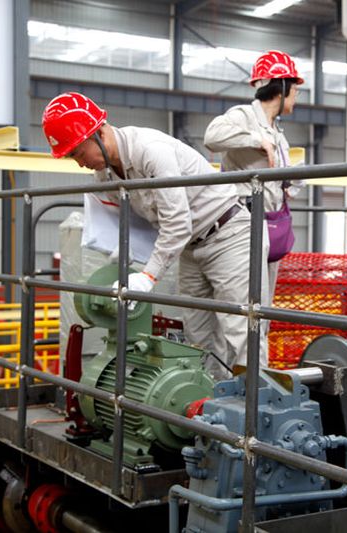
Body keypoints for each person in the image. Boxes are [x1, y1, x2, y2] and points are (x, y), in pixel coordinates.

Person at [42, 92, 268, 380]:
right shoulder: (106, 176)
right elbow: (132, 223)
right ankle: (212, 400)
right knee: (198, 335)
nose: (79, 162)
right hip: (190, 248)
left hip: (229, 236)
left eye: (78, 153)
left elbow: (177, 222)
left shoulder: (151, 151)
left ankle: (255, 403)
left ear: (98, 133)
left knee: (241, 331)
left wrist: (148, 277)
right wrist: (121, 257)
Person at [204, 50, 304, 300]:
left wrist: (292, 179)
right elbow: (212, 137)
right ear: (281, 87)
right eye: (296, 89)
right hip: (244, 225)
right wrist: (256, 140)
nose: (297, 95)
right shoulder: (244, 116)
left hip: (270, 223)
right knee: (246, 301)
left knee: (263, 303)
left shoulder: (277, 131)